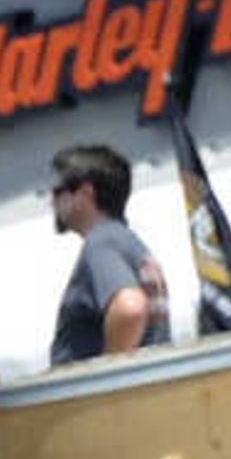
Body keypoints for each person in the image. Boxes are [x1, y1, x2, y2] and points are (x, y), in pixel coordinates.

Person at [46, 142, 174, 364]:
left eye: (59, 190)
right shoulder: (129, 243)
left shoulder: (101, 243)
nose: (52, 200)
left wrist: (108, 376)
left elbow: (130, 308)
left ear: (86, 193)